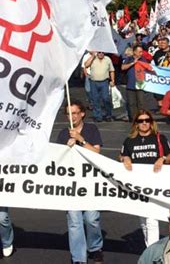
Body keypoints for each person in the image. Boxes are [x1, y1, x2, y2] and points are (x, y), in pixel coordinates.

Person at [56, 100, 104, 264]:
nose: (72, 117)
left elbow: (97, 152)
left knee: (91, 219)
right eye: (69, 114)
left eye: (75, 113)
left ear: (82, 113)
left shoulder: (91, 129)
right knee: (74, 221)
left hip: (90, 182)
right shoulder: (63, 134)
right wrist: (66, 148)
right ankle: (79, 258)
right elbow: (57, 160)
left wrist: (81, 140)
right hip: (71, 183)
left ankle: (95, 247)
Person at [120, 110, 170, 246]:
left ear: (151, 123)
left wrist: (162, 159)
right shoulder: (129, 140)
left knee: (151, 218)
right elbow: (122, 155)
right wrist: (124, 158)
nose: (144, 123)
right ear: (136, 124)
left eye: (147, 120)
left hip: (155, 183)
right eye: (141, 121)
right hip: (137, 184)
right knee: (143, 219)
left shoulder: (160, 138)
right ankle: (149, 248)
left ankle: (152, 251)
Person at [84, 51, 115, 122]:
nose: (101, 54)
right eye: (99, 52)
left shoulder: (107, 59)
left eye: (102, 52)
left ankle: (108, 114)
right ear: (97, 53)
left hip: (104, 82)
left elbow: (112, 70)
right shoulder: (93, 59)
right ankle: (98, 116)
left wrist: (113, 80)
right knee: (95, 99)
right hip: (93, 82)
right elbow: (86, 65)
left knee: (106, 98)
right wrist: (92, 56)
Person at [122, 44, 147, 122]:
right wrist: (133, 63)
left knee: (141, 103)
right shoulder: (129, 59)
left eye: (141, 52)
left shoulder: (143, 59)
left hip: (140, 84)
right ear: (134, 52)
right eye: (139, 52)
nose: (140, 53)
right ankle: (133, 119)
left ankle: (141, 118)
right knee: (131, 103)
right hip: (130, 85)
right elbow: (123, 67)